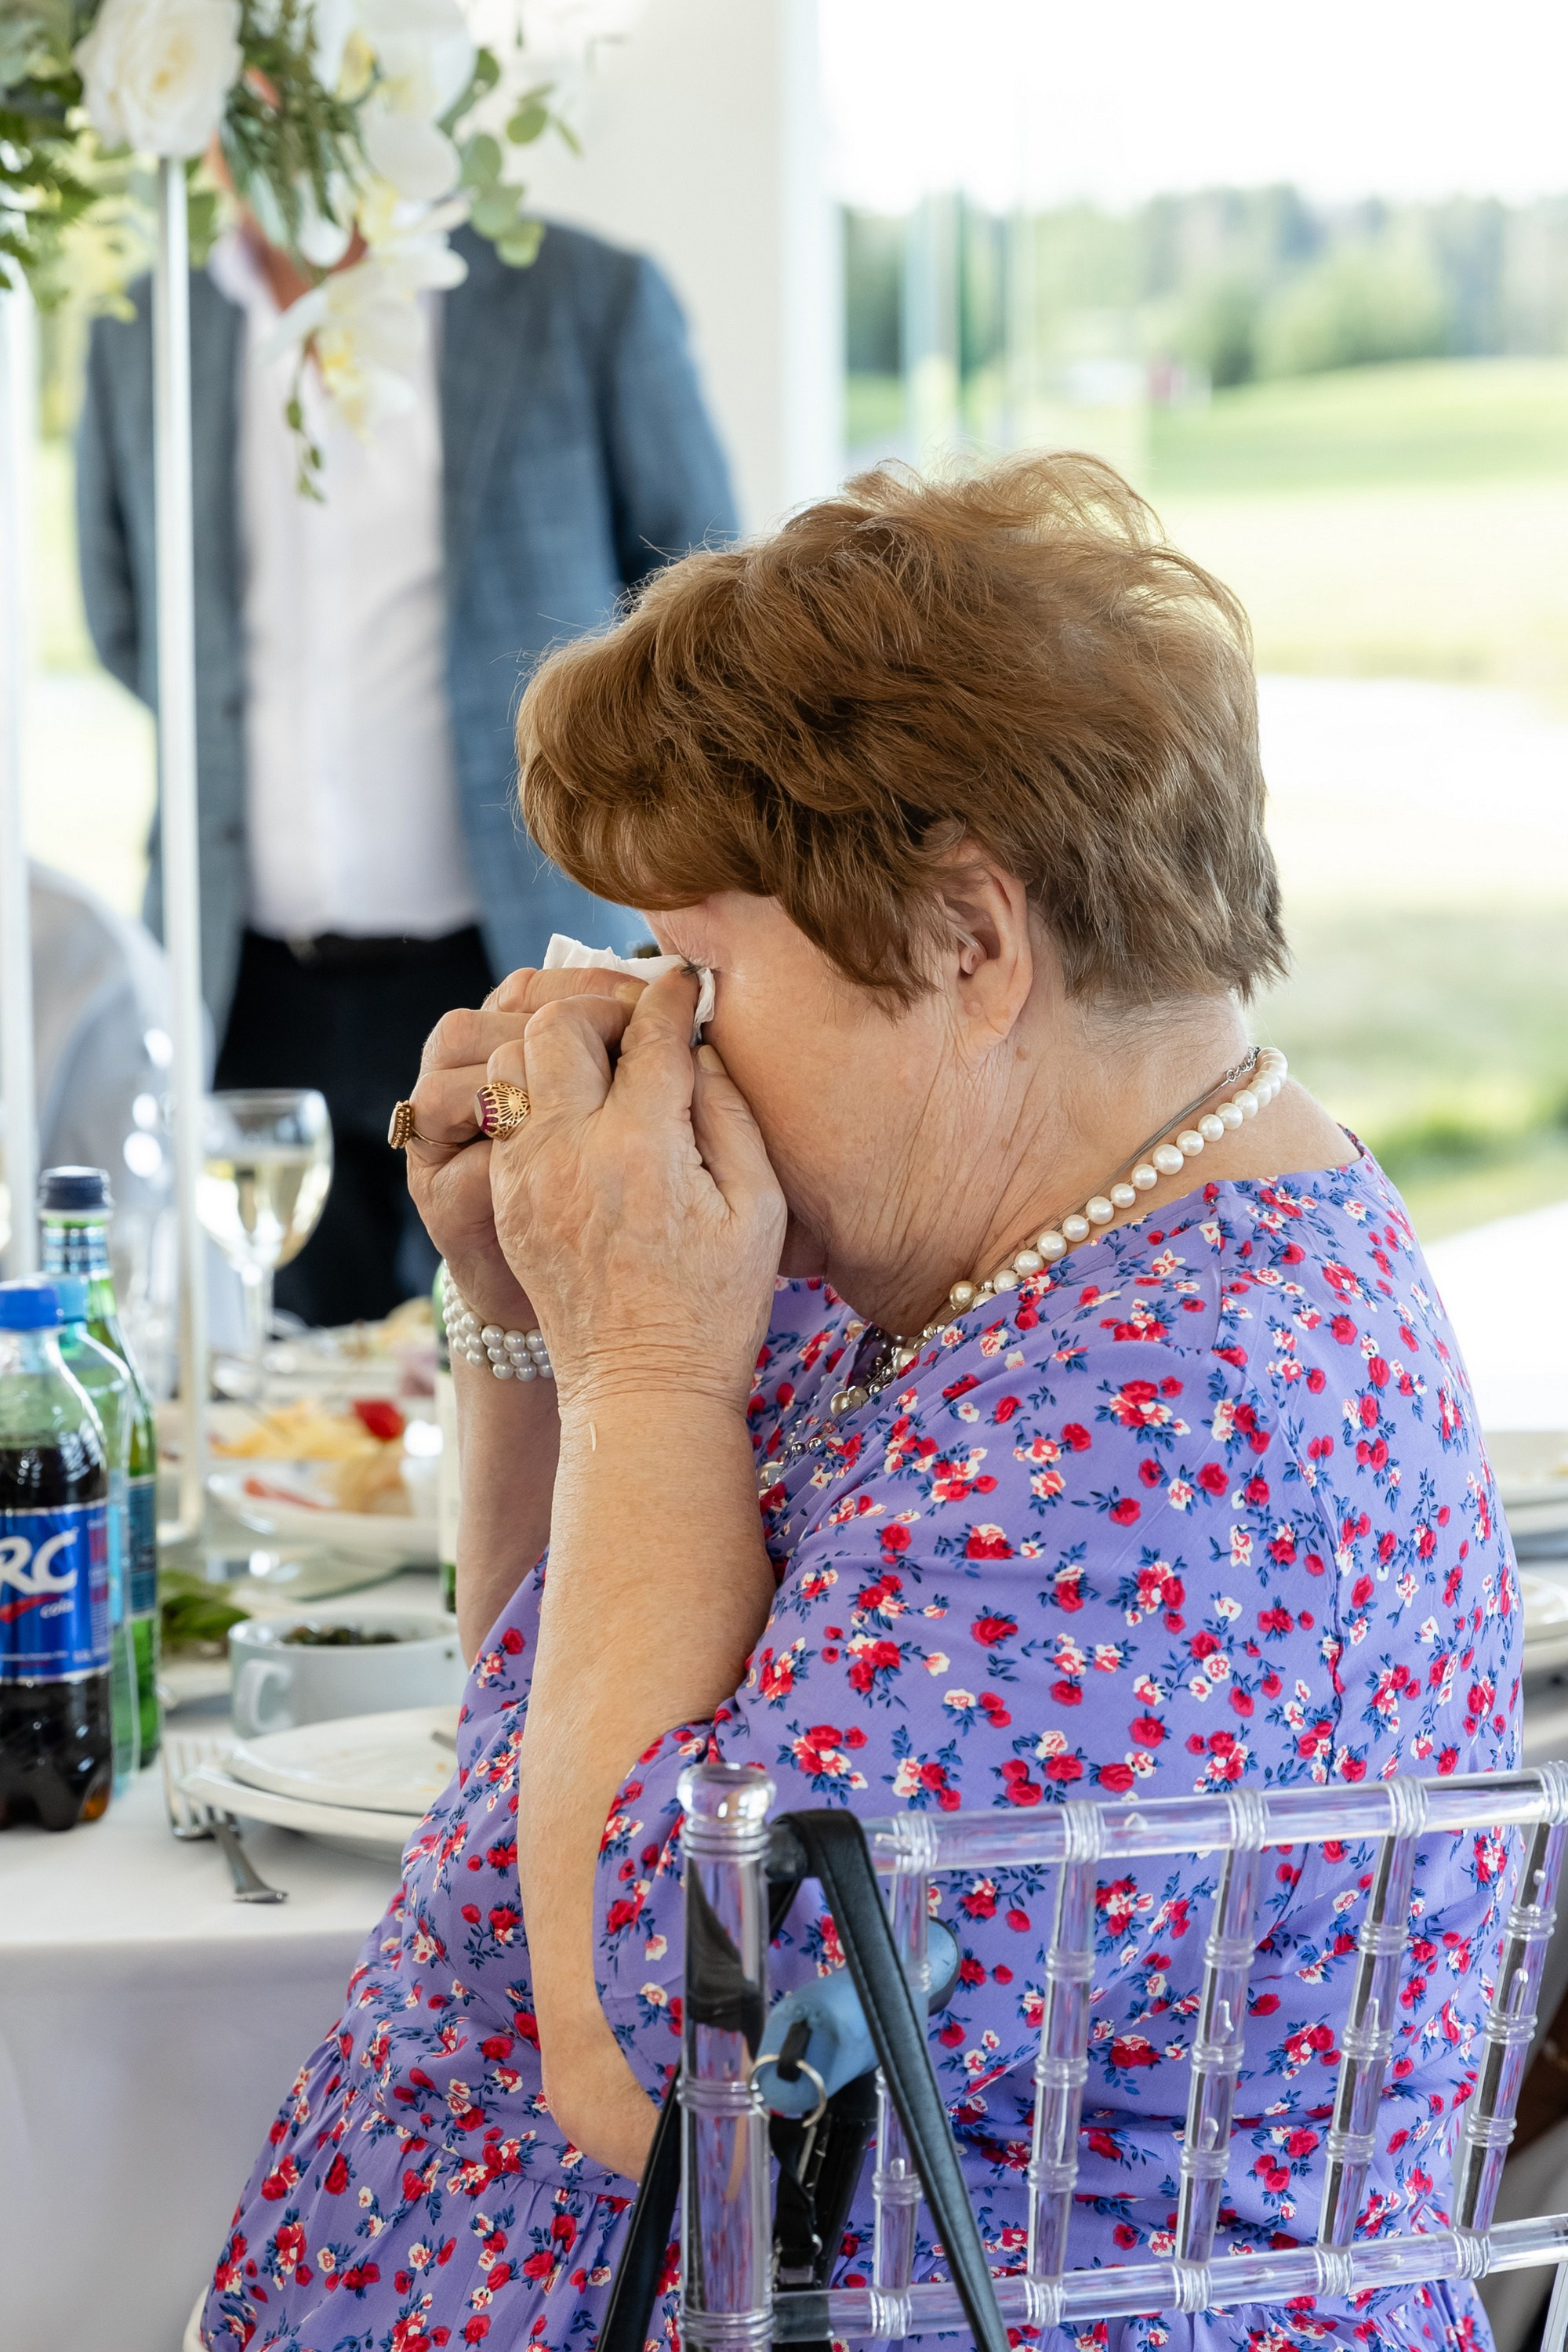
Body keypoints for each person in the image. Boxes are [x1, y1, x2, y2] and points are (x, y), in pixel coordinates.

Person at [194, 457, 1517, 2352]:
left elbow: (663, 2085)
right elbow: (553, 1749)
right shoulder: (974, 1265)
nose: (649, 1025)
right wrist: (532, 1325)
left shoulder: (1170, 1437)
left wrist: (649, 1359)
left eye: (700, 965)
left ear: (969, 941)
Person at [75, 210, 736, 1325]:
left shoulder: (587, 296)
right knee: (292, 1382)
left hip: (511, 967)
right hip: (246, 982)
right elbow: (121, 614)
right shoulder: (144, 324)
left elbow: (697, 607)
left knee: (527, 1349)